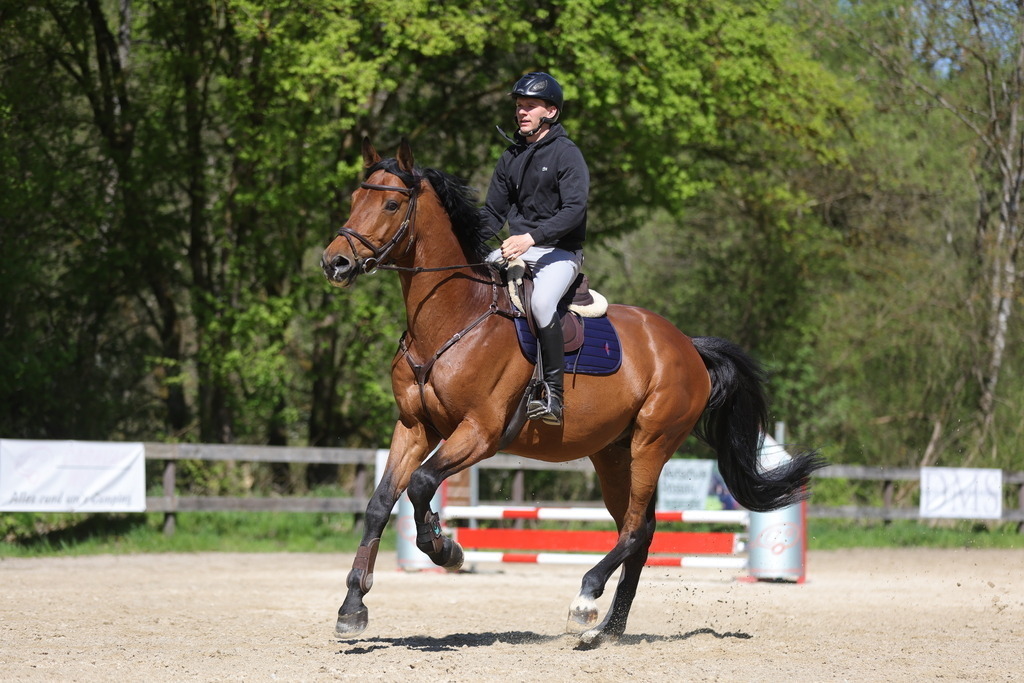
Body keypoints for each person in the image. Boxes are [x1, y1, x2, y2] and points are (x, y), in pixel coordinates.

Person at [481, 71, 590, 426]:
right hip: (517, 250)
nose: (521, 113)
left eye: (530, 106)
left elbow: (574, 211)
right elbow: (494, 213)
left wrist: (531, 237)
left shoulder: (566, 154)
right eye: (519, 107)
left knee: (542, 303)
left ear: (552, 112)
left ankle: (553, 396)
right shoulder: (510, 156)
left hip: (559, 253)